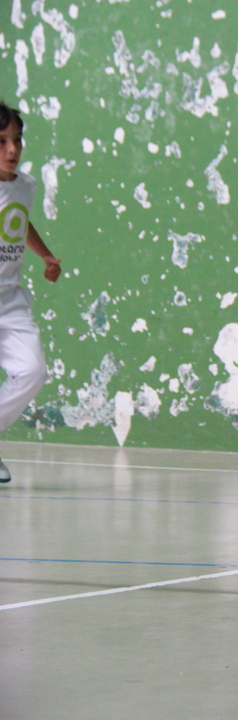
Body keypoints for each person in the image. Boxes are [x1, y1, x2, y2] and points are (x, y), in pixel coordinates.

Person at [0, 103, 62, 482]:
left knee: (33, 371)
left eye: (17, 140)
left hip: (9, 299)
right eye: (2, 141)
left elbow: (18, 221)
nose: (13, 149)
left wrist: (45, 255)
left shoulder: (25, 185)